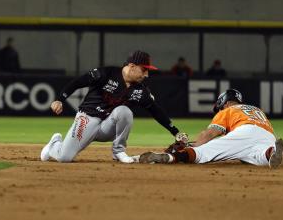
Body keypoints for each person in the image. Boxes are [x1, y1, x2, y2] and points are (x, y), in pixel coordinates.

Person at [40, 50, 184, 164]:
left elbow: (155, 110)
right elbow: (78, 82)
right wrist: (59, 100)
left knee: (124, 112)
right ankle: (55, 144)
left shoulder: (140, 90)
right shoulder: (106, 73)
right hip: (88, 118)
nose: (146, 74)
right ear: (132, 66)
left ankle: (118, 151)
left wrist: (176, 132)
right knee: (64, 158)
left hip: (107, 127)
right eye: (144, 69)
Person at [139, 89, 283, 169]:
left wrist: (191, 145)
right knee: (254, 157)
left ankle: (171, 158)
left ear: (226, 103)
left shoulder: (228, 110)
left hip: (245, 131)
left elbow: (210, 133)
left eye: (220, 107)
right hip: (269, 136)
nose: (219, 110)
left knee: (204, 152)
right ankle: (270, 152)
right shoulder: (256, 109)